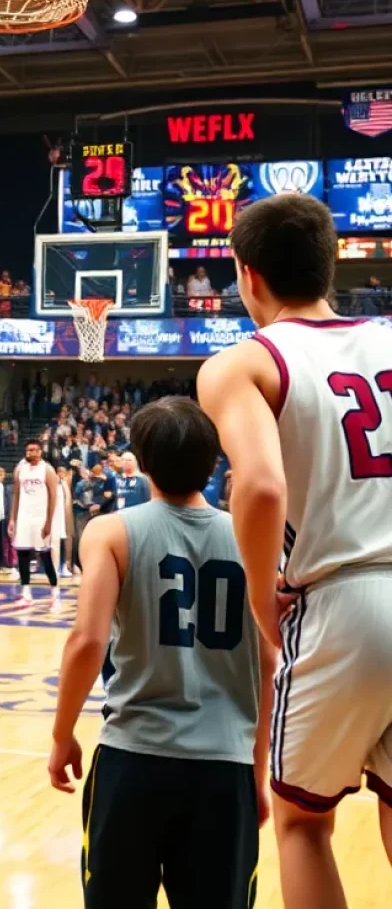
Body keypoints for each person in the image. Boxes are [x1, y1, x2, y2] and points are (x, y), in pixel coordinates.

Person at [197, 192, 392, 909]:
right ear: (330, 263)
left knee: (305, 824)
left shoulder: (242, 364)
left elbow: (260, 483)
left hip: (342, 597)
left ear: (248, 275)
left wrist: (260, 598)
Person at [49, 397, 274, 909]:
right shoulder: (251, 538)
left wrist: (63, 736)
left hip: (133, 761)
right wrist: (257, 774)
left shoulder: (110, 531)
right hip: (223, 768)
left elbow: (87, 640)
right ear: (214, 462)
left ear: (141, 462)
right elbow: (267, 668)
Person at [8, 440, 57, 610]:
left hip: (40, 517)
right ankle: (26, 593)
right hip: (24, 517)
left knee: (44, 555)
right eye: (28, 450)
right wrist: (12, 519)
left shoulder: (47, 469)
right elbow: (16, 494)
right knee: (22, 553)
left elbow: (54, 497)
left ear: (41, 451)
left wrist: (49, 522)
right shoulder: (20, 469)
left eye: (35, 450)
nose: (31, 452)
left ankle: (54, 591)